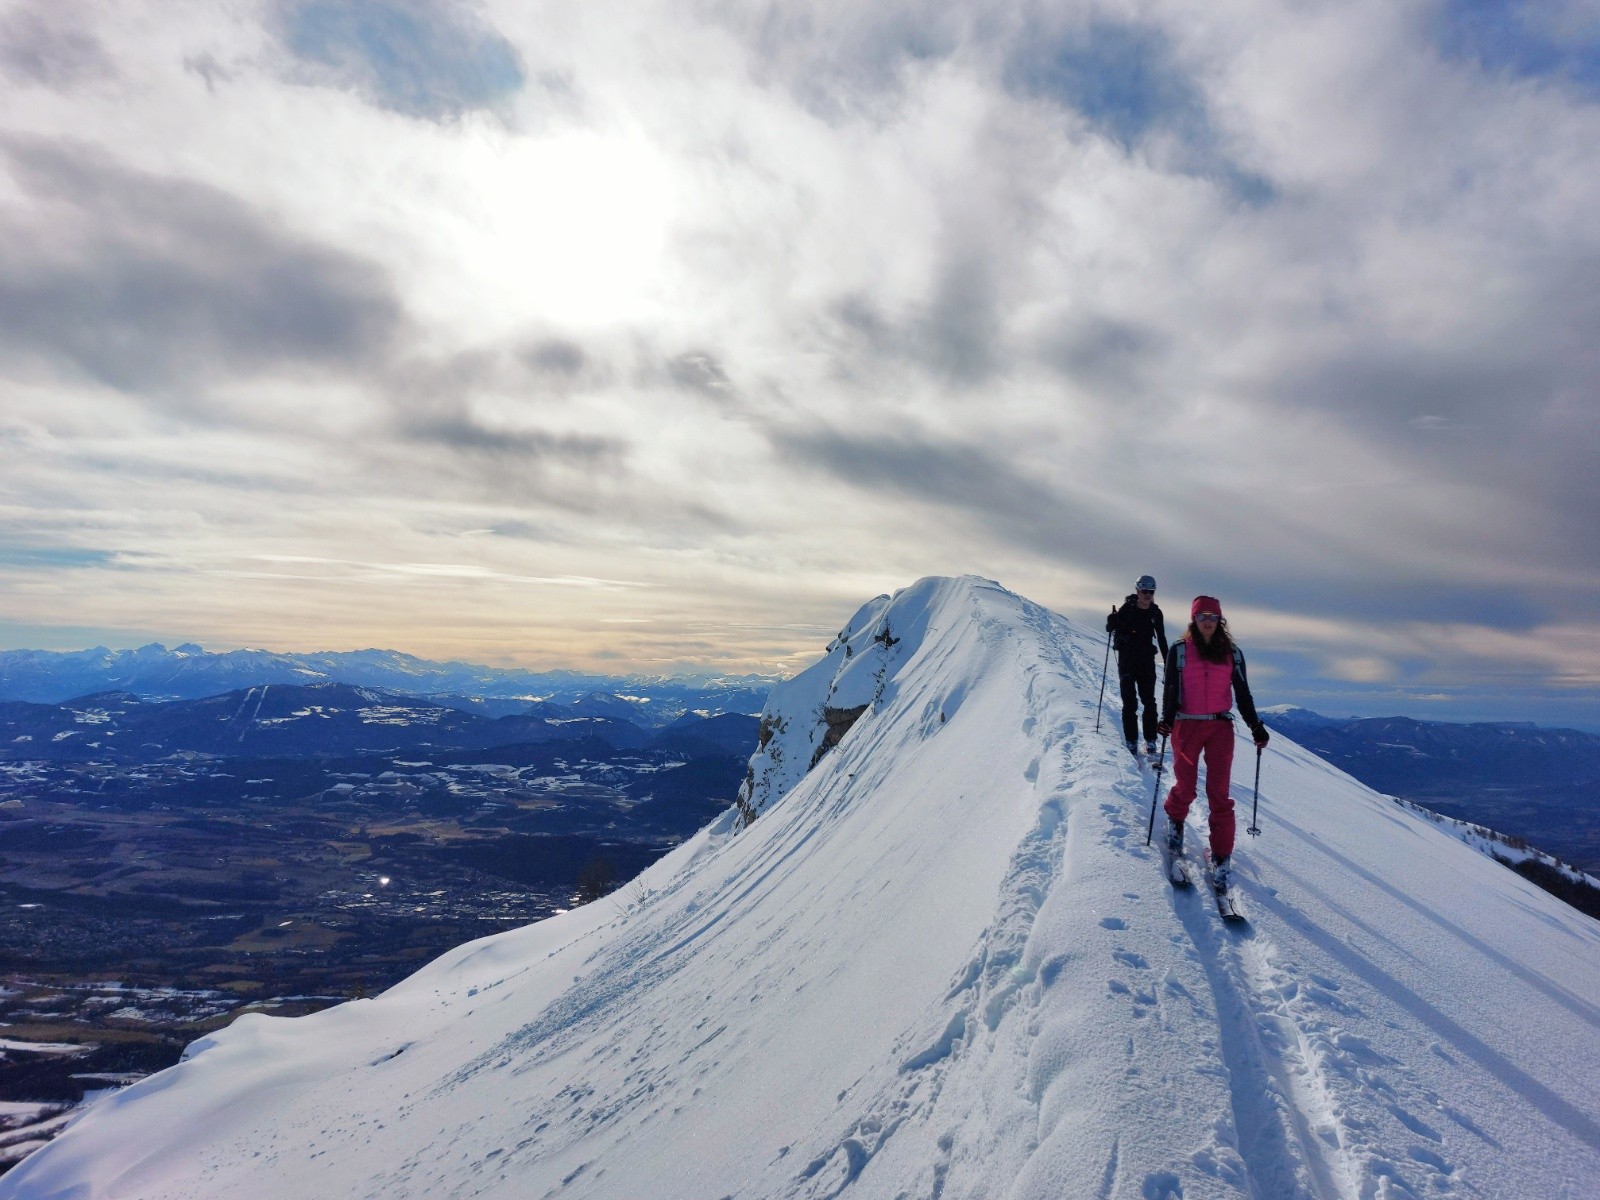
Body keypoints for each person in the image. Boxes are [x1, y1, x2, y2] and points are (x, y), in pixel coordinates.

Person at [1157, 596, 1269, 893]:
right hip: (1186, 724)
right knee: (1186, 785)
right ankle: (1176, 823)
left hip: (1220, 727)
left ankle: (1221, 855)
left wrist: (1255, 726)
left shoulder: (1233, 654)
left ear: (1220, 620)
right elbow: (1171, 687)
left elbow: (1243, 693)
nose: (1207, 620)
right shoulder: (1179, 651)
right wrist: (1166, 718)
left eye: (1213, 616)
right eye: (1202, 615)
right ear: (1193, 619)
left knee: (1219, 793)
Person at [1106, 574, 1168, 754]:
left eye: (1151, 591)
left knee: (1149, 701)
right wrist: (1111, 623)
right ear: (1138, 591)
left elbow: (1162, 638)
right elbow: (1113, 630)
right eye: (1144, 591)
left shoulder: (1156, 613)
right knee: (1130, 702)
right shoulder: (1127, 609)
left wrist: (1169, 662)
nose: (1147, 594)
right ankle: (1131, 740)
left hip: (1146, 662)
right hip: (1127, 661)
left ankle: (1150, 740)